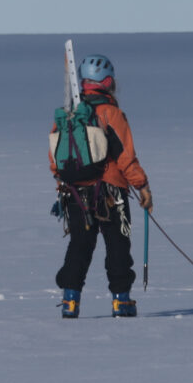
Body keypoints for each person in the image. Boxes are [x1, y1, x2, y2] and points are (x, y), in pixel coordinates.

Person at [51, 54, 154, 317]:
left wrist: (64, 181)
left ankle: (69, 302)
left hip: (74, 192)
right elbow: (125, 156)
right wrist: (141, 186)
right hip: (110, 191)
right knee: (118, 245)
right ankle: (121, 301)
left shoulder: (67, 113)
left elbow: (56, 157)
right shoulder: (111, 113)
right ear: (107, 82)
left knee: (79, 246)